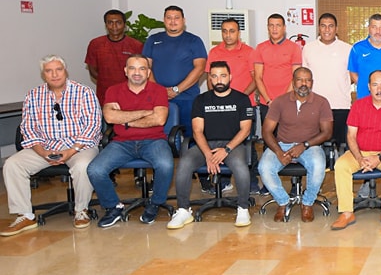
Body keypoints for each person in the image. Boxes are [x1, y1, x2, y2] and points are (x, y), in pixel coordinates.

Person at [2, 56, 101, 236]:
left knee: (82, 166)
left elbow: (92, 126)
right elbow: (28, 127)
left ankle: (81, 211)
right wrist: (42, 152)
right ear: (43, 74)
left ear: (65, 71)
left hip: (79, 146)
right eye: (49, 71)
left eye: (58, 70)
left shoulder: (84, 92)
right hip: (46, 147)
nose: (54, 75)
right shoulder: (34, 95)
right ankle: (25, 216)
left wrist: (71, 151)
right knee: (12, 164)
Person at [88, 55, 173, 228]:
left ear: (148, 72)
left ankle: (155, 203)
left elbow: (159, 119)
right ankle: (113, 207)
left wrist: (125, 120)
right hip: (122, 143)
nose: (137, 72)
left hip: (153, 141)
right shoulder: (113, 90)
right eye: (132, 68)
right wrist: (145, 112)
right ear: (126, 71)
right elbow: (109, 117)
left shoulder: (158, 90)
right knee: (95, 170)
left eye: (142, 68)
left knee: (165, 165)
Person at [170, 61, 254, 229]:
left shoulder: (242, 99)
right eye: (214, 76)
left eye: (223, 76)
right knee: (185, 163)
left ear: (230, 77)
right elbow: (197, 131)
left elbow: (245, 130)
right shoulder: (201, 100)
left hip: (233, 145)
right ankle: (183, 210)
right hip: (205, 145)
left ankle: (243, 208)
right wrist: (208, 154)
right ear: (210, 79)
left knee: (240, 165)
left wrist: (226, 149)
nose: (219, 80)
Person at [331, 70, 381, 230]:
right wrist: (359, 158)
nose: (379, 89)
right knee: (341, 165)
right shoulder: (358, 106)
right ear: (368, 87)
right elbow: (351, 136)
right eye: (375, 84)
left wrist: (379, 157)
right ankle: (346, 213)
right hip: (359, 152)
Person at [258, 67, 334, 223]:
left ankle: (307, 203)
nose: (303, 84)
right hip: (282, 145)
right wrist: (278, 152)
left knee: (318, 165)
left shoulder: (321, 102)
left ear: (312, 83)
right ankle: (283, 202)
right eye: (299, 80)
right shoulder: (280, 101)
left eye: (307, 80)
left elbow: (327, 133)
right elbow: (266, 131)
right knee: (264, 167)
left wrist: (304, 145)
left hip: (310, 146)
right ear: (293, 82)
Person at [206, 17, 259, 194]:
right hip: (220, 108)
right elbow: (209, 78)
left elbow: (256, 79)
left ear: (239, 33)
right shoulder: (214, 52)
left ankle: (251, 181)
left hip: (244, 105)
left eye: (232, 31)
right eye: (225, 31)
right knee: (221, 140)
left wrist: (239, 99)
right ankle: (223, 180)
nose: (228, 35)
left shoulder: (249, 52)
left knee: (247, 143)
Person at [142, 5, 206, 137]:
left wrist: (176, 90)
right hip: (157, 98)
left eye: (177, 18)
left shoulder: (194, 41)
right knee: (158, 136)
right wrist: (159, 91)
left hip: (187, 98)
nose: (173, 21)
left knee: (190, 136)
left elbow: (200, 68)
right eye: (169, 18)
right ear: (164, 20)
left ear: (184, 20)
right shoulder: (153, 40)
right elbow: (145, 67)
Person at [302, 13, 353, 146]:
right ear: (319, 28)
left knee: (340, 146)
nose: (327, 30)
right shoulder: (308, 48)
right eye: (323, 26)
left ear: (336, 28)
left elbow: (352, 77)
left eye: (330, 26)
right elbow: (304, 78)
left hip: (340, 105)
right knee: (315, 146)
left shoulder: (348, 49)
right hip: (314, 105)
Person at [253, 13, 303, 124]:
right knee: (268, 133)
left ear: (284, 28)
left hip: (288, 102)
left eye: (278, 25)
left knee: (287, 134)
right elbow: (258, 77)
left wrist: (283, 101)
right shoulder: (260, 48)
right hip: (266, 103)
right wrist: (268, 100)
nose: (274, 29)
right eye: (271, 25)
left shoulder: (294, 48)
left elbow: (296, 77)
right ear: (268, 28)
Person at [84, 9, 143, 103]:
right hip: (105, 95)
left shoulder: (136, 45)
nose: (114, 26)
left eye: (118, 22)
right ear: (106, 25)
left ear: (124, 25)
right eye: (110, 22)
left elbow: (140, 72)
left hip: (130, 95)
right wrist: (107, 83)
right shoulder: (95, 44)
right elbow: (93, 71)